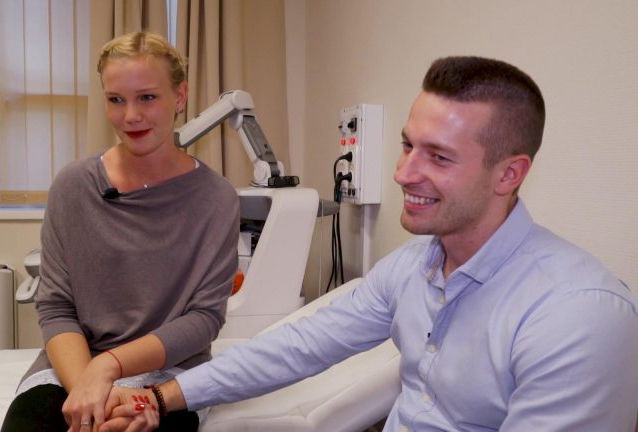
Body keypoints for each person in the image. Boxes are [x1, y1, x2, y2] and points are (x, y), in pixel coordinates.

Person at [98, 56, 638, 432]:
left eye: (438, 157)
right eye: (407, 146)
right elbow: (297, 346)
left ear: (509, 174)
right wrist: (159, 398)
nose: (403, 173)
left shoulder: (577, 316)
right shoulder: (414, 267)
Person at [0, 31, 240, 432]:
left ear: (180, 97)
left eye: (147, 97)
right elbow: (56, 308)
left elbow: (204, 319)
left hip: (168, 374)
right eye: (116, 100)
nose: (130, 115)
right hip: (74, 369)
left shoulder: (215, 199)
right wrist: (91, 390)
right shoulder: (73, 187)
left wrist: (111, 367)